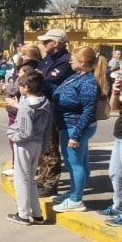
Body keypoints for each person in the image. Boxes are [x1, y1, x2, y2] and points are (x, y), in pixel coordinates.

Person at [51, 46, 107, 213]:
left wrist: (76, 136)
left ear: (82, 62)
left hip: (74, 126)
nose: (70, 60)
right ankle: (74, 192)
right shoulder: (78, 76)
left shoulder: (88, 81)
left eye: (73, 59)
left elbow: (89, 110)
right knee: (81, 162)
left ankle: (76, 200)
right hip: (69, 125)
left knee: (74, 164)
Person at [6, 69, 53, 225]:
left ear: (26, 87)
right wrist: (43, 147)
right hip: (38, 144)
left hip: (25, 144)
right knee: (31, 179)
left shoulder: (26, 106)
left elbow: (25, 131)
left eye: (21, 85)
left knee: (21, 180)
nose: (19, 88)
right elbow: (48, 128)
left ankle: (23, 214)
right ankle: (37, 214)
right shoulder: (45, 103)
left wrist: (12, 135)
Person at [35, 28, 74, 197]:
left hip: (54, 109)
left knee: (51, 147)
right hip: (43, 106)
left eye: (46, 41)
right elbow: (37, 78)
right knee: (44, 146)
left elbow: (46, 81)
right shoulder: (47, 59)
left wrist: (38, 78)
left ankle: (51, 183)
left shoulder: (65, 61)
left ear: (56, 43)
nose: (43, 44)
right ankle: (42, 178)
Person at [2, 45, 41, 176]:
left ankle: (18, 166)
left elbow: (17, 88)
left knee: (16, 138)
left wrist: (7, 88)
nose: (20, 56)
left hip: (18, 109)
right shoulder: (32, 68)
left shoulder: (27, 69)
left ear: (29, 56)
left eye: (23, 54)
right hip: (18, 108)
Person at [104, 68, 122, 227]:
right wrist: (115, 91)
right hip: (121, 136)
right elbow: (114, 106)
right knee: (115, 174)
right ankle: (120, 208)